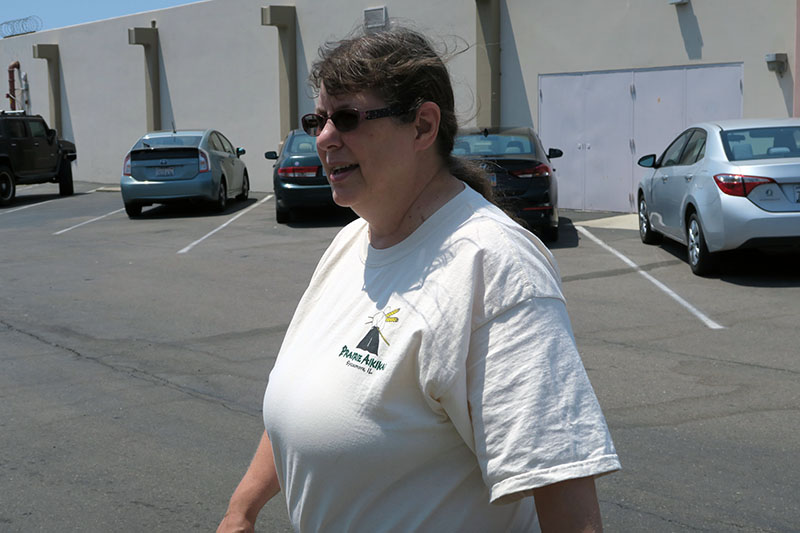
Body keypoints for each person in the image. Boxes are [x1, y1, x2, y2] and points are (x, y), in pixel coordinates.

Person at [218, 24, 620, 533]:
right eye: (318, 119)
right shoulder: (354, 238)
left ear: (422, 127)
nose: (323, 138)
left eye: (346, 118)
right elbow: (306, 402)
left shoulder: (493, 265)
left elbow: (561, 490)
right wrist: (242, 510)